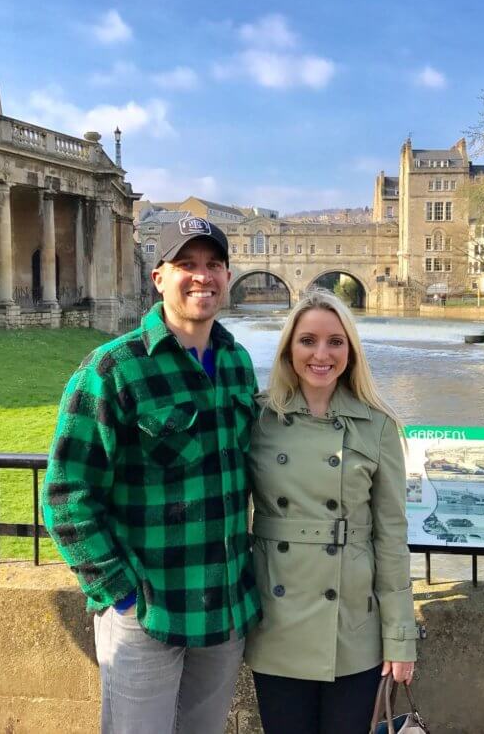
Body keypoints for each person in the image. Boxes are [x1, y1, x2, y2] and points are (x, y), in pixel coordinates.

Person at [41, 216, 260, 734]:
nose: (201, 277)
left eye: (213, 265)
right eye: (186, 265)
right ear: (158, 277)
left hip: (224, 607)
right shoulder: (112, 368)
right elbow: (67, 494)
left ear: (228, 276)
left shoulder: (237, 362)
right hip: (149, 610)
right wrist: (120, 593)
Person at [245, 288, 417, 734]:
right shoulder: (259, 420)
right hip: (277, 622)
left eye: (335, 342)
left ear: (351, 351)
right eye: (308, 341)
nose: (321, 354)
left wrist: (400, 637)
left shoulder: (378, 425)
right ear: (289, 349)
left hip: (353, 628)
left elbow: (391, 536)